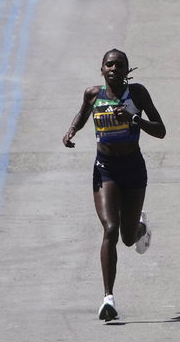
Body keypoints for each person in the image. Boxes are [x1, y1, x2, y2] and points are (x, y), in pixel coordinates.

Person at [62, 48, 166, 321]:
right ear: (101, 69)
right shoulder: (93, 94)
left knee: (128, 239)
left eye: (119, 65)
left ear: (126, 71)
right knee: (110, 228)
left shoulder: (138, 94)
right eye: (109, 65)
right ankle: (108, 298)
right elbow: (83, 114)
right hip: (105, 169)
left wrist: (133, 119)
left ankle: (141, 227)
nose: (113, 69)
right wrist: (72, 130)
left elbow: (161, 129)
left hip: (133, 169)